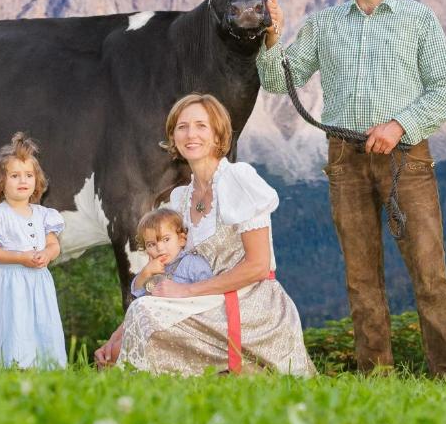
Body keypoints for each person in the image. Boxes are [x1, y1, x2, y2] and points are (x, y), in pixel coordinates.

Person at [257, 0, 446, 377]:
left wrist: (399, 125)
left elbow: (445, 91)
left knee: (429, 273)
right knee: (361, 277)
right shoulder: (323, 24)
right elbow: (279, 81)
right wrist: (272, 38)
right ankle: (377, 376)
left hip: (406, 159)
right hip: (345, 160)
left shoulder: (418, 18)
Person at [96, 93, 315, 376]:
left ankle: (237, 370)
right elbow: (170, 277)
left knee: (144, 317)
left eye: (201, 125)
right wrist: (118, 335)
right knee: (134, 324)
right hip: (204, 302)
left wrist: (185, 292)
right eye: (182, 127)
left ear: (217, 134)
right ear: (173, 137)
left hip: (252, 306)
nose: (191, 134)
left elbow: (258, 266)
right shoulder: (180, 200)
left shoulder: (239, 180)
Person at [0, 132, 66, 368]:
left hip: (38, 281)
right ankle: (9, 365)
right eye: (15, 176)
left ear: (37, 180)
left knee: (40, 323)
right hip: (9, 283)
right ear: (0, 182)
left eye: (28, 175)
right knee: (11, 324)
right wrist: (20, 257)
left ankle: (44, 365)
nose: (23, 181)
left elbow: (54, 244)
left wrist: (47, 254)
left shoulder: (45, 215)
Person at [130, 207, 212, 297]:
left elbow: (208, 290)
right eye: (151, 244)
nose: (159, 248)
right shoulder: (152, 269)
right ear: (146, 250)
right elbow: (138, 294)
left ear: (181, 240)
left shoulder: (192, 263)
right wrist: (146, 272)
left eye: (166, 239)